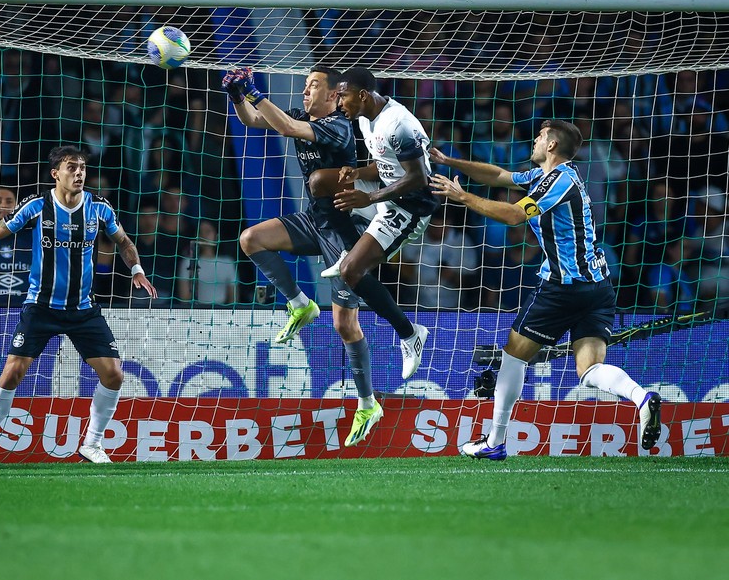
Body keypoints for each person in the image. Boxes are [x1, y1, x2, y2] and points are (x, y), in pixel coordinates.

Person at [428, 120, 662, 460]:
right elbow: (498, 176)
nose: (534, 141)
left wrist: (462, 196)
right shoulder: (546, 177)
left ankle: (495, 441)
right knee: (590, 369)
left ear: (551, 145)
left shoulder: (560, 180)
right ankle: (642, 399)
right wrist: (451, 162)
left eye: (540, 137)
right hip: (598, 287)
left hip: (562, 287)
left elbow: (511, 215)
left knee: (512, 355)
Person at [224, 66, 428, 448]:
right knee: (251, 239)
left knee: (345, 325)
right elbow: (255, 120)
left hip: (341, 226)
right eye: (304, 85)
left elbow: (284, 126)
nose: (305, 91)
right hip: (313, 219)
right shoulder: (302, 116)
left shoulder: (336, 126)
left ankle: (368, 402)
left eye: (313, 85)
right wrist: (238, 97)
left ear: (335, 95)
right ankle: (300, 304)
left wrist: (252, 89)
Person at [0, 146, 157, 465]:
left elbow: (124, 242)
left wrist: (137, 270)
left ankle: (92, 445)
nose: (79, 173)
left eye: (83, 168)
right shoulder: (36, 206)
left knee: (114, 375)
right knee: (13, 373)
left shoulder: (99, 208)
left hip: (83, 309)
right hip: (41, 307)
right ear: (55, 173)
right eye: (72, 167)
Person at [320, 67, 440, 312]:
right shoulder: (366, 118)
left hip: (410, 206)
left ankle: (410, 333)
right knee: (320, 180)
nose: (339, 103)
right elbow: (385, 164)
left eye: (343, 96)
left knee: (350, 271)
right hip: (385, 191)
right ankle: (350, 246)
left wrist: (369, 198)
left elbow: (418, 178)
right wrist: (358, 173)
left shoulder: (398, 124)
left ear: (363, 95)